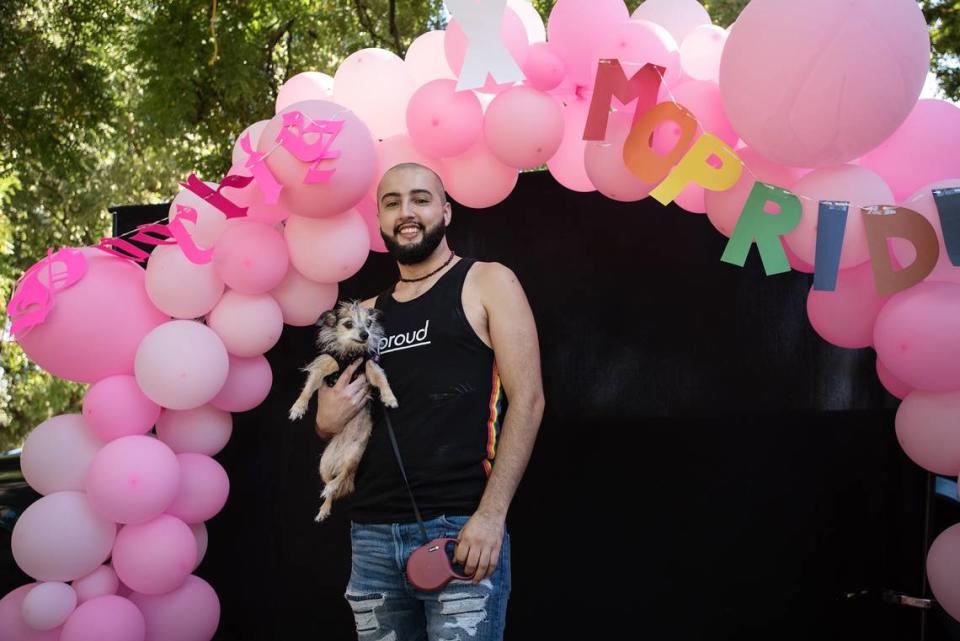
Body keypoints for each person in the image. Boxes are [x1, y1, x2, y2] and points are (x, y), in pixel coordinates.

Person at [313, 162, 544, 640]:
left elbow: (530, 401)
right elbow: (338, 420)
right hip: (372, 538)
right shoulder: (365, 316)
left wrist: (491, 516)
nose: (407, 212)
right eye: (392, 203)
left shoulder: (488, 282)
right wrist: (325, 420)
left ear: (446, 210)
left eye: (420, 198)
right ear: (379, 222)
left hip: (460, 530)